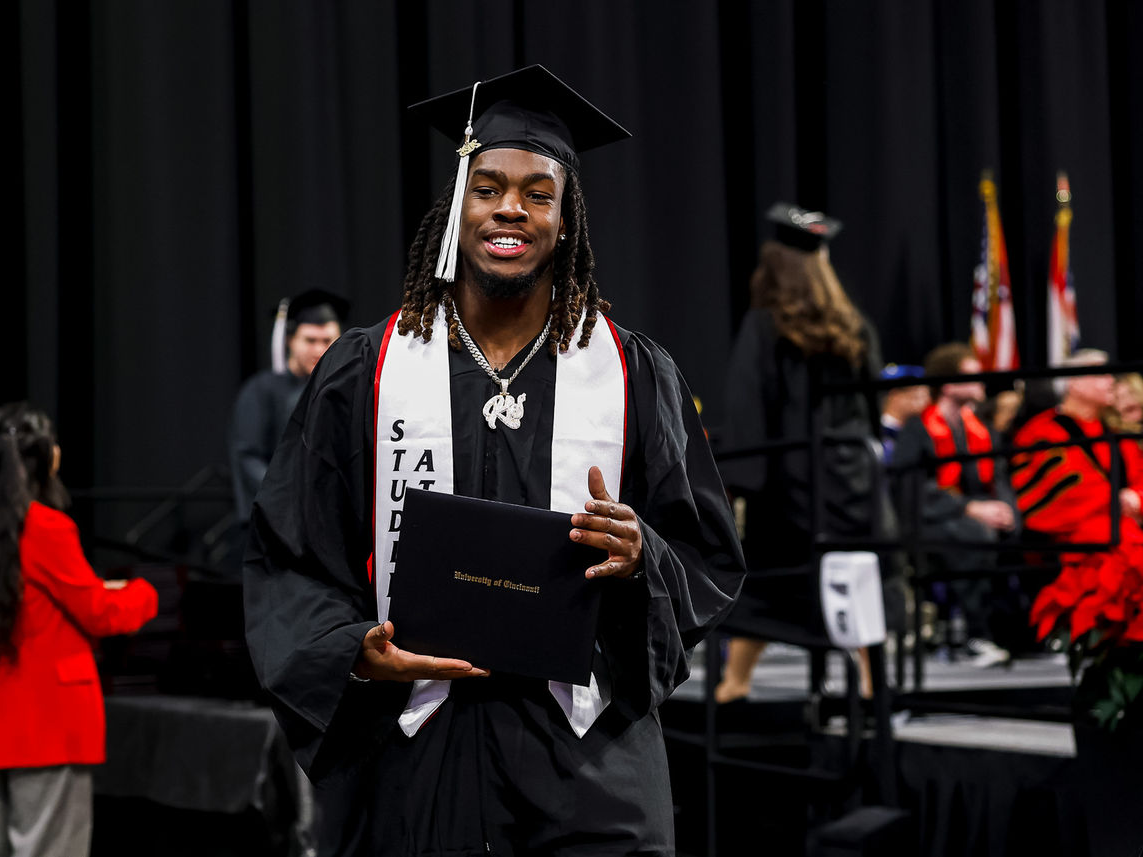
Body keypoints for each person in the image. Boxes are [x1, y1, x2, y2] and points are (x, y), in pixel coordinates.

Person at [243, 65, 745, 856]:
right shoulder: (365, 371)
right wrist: (351, 651)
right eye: (488, 187)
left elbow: (706, 553)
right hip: (414, 750)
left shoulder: (635, 375)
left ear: (566, 219)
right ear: (456, 209)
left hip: (586, 759)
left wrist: (643, 554)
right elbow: (289, 553)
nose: (511, 207)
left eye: (538, 192)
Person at [0, 402, 158, 857]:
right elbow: (101, 612)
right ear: (40, 459)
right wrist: (144, 592)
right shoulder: (45, 527)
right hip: (46, 722)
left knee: (5, 847)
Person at [715, 204, 894, 704]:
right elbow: (873, 403)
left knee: (772, 583)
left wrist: (741, 482)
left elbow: (748, 406)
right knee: (854, 577)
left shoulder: (765, 326)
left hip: (792, 484)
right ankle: (873, 684)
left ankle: (734, 684)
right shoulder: (854, 327)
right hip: (851, 480)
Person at [891, 343, 1018, 666]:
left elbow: (999, 478)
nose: (981, 382)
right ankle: (976, 635)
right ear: (948, 384)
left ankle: (1016, 633)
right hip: (928, 519)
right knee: (974, 534)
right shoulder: (918, 429)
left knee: (1014, 530)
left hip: (971, 516)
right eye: (971, 376)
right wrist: (968, 509)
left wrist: (1006, 509)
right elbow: (913, 490)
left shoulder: (980, 431)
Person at [228, 289, 348, 526]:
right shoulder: (261, 391)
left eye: (327, 341)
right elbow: (247, 457)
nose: (319, 350)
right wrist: (291, 496)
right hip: (279, 520)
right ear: (290, 339)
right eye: (310, 340)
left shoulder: (345, 390)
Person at [1013, 350, 1143, 546]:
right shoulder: (1041, 431)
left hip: (1122, 528)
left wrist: (1136, 498)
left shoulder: (1114, 431)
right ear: (1074, 382)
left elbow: (1139, 476)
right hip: (1071, 543)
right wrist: (1117, 501)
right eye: (1101, 374)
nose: (1111, 381)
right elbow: (1063, 493)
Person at [879, 364, 929, 462]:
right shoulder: (879, 433)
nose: (924, 397)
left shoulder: (920, 428)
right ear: (895, 395)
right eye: (915, 392)